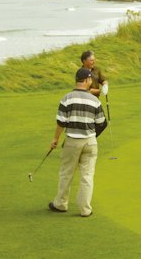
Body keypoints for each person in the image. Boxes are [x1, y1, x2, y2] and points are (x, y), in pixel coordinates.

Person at [48, 68, 108, 217]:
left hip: (72, 141)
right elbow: (101, 122)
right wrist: (91, 133)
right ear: (87, 80)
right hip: (90, 142)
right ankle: (85, 209)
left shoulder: (66, 98)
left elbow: (61, 122)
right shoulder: (94, 100)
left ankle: (61, 204)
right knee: (87, 176)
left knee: (66, 173)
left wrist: (55, 139)